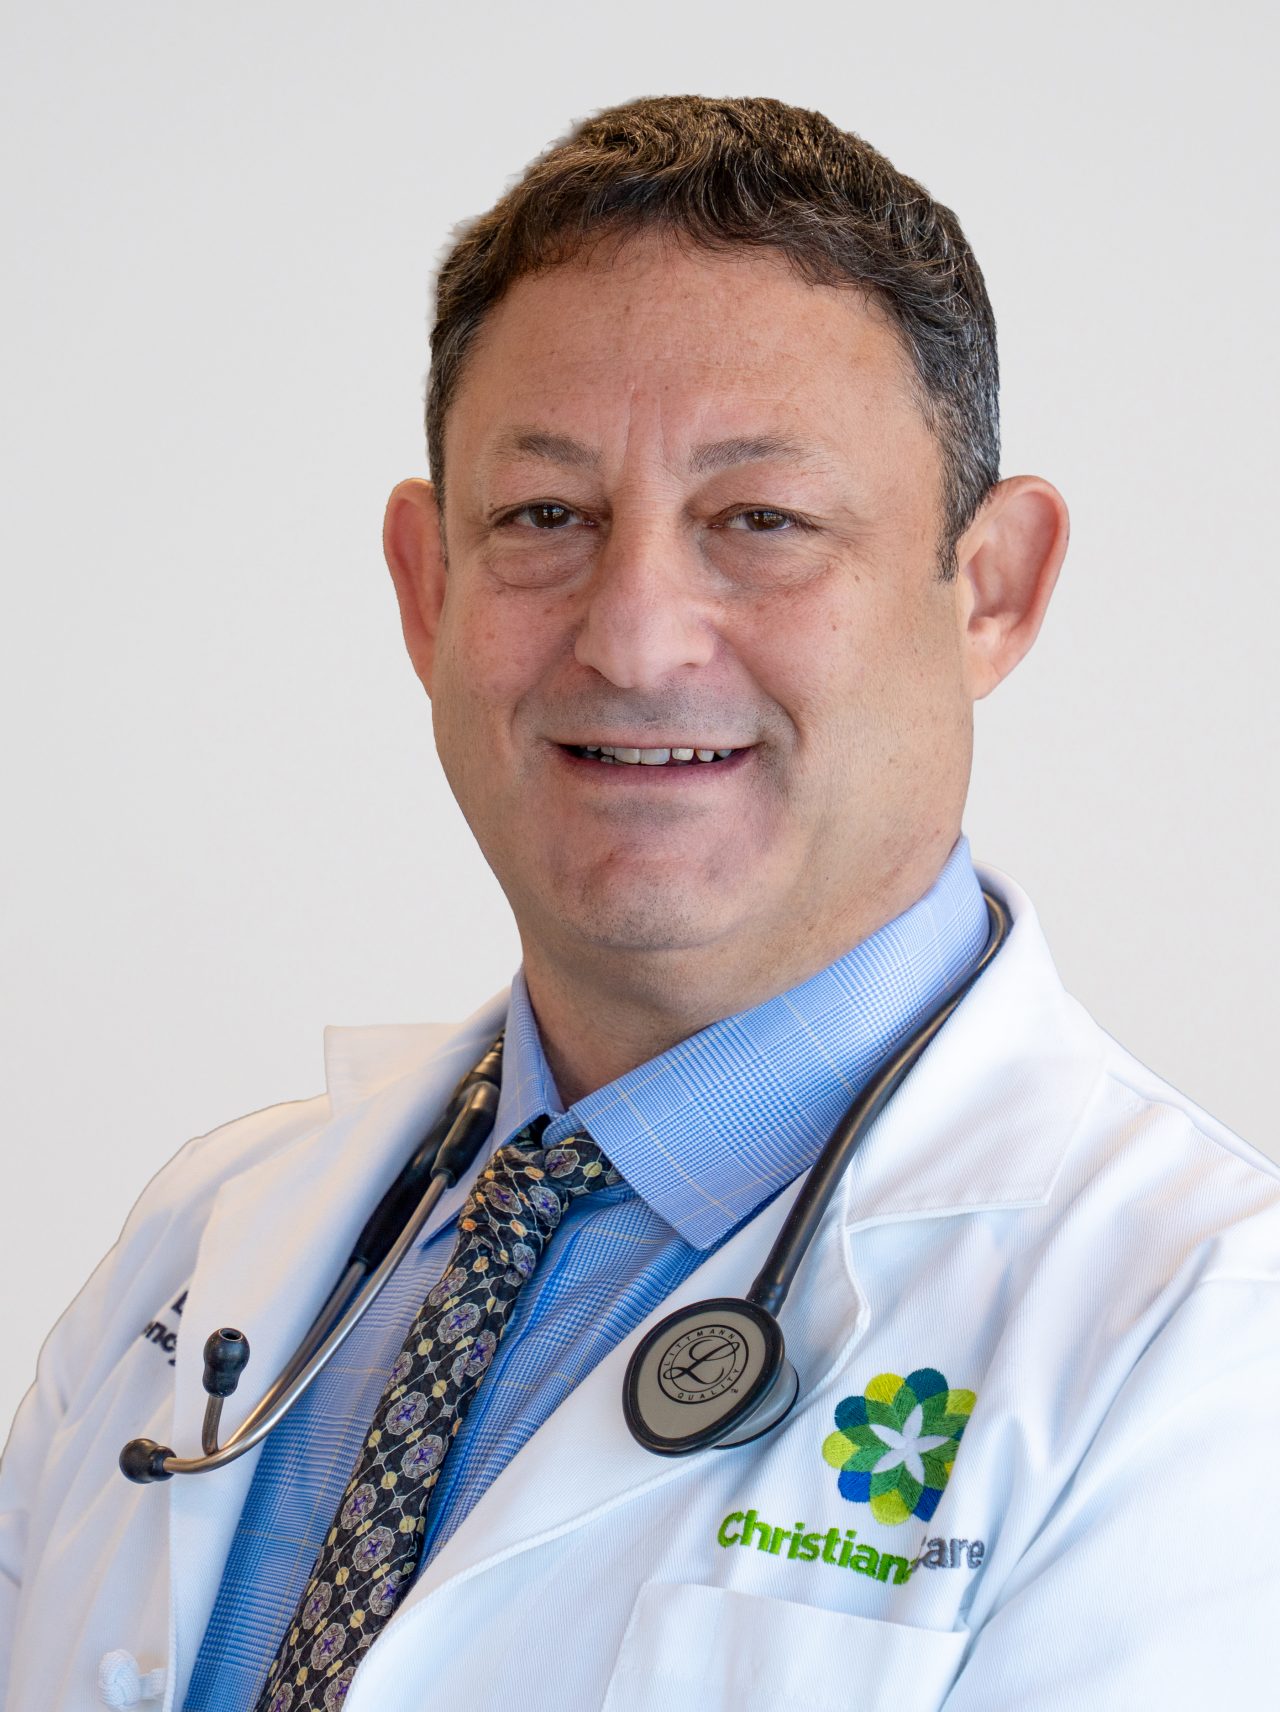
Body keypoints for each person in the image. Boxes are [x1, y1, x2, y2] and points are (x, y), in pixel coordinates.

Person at [1, 93, 1275, 1712]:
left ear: (993, 589)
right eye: (546, 518)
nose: (637, 636)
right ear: (427, 587)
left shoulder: (1202, 1350)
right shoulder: (216, 1239)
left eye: (762, 519)